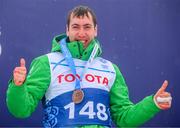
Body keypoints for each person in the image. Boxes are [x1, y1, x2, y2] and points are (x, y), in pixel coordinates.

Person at [6, 5, 172, 127]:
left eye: (87, 27)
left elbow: (124, 118)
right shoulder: (46, 62)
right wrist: (18, 86)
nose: (81, 33)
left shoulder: (110, 69)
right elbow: (21, 110)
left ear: (96, 30)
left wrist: (152, 103)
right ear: (67, 30)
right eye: (75, 27)